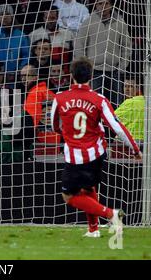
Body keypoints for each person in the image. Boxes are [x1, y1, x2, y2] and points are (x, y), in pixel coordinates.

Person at [51, 57, 142, 238]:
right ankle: (93, 229)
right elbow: (116, 126)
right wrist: (134, 148)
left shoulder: (60, 98)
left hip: (74, 155)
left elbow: (55, 127)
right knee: (89, 188)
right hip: (96, 153)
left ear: (71, 76)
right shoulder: (98, 99)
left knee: (68, 196)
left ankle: (111, 214)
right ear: (91, 77)